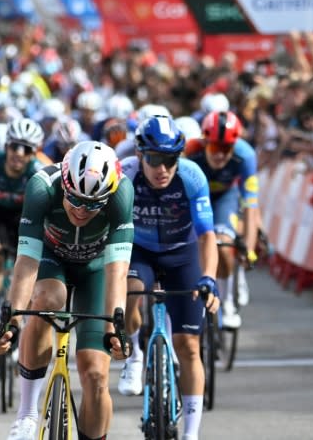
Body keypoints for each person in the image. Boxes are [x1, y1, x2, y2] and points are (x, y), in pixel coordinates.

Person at [0, 140, 134, 440]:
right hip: (50, 259)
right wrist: (12, 321)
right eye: (75, 199)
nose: (82, 210)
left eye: (94, 203)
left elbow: (117, 271)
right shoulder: (42, 187)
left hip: (95, 270)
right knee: (47, 299)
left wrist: (116, 325)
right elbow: (26, 261)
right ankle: (27, 414)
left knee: (95, 374)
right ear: (65, 183)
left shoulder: (121, 193)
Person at [118, 115, 220, 440]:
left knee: (189, 346)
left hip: (182, 254)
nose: (162, 168)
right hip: (140, 251)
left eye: (170, 159)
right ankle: (134, 355)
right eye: (154, 159)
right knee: (132, 291)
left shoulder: (191, 177)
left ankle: (191, 433)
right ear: (140, 155)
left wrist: (209, 278)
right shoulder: (124, 176)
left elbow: (207, 237)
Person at [0, 118, 45, 359]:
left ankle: (18, 329)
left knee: (31, 271)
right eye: (14, 146)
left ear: (34, 153)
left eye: (26, 149)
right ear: (6, 146)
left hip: (25, 218)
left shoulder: (40, 171)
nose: (19, 154)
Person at [184, 111, 260, 328]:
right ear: (205, 142)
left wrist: (250, 249)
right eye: (216, 147)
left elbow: (251, 206)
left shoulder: (246, 156)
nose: (220, 155)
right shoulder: (190, 152)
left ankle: (227, 304)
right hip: (197, 197)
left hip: (226, 198)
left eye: (227, 149)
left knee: (224, 247)